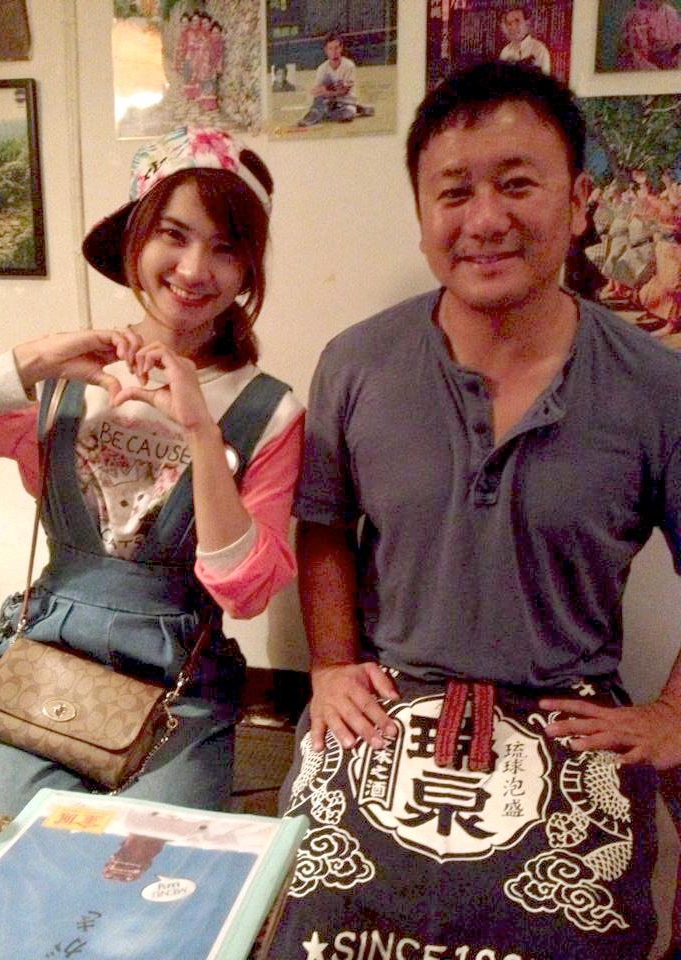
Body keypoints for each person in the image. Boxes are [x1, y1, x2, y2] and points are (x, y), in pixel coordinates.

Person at [269, 62, 681, 960]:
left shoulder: (659, 387)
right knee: (313, 931)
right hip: (389, 699)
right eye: (454, 192)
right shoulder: (356, 364)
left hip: (568, 712)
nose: (485, 219)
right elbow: (326, 525)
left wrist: (671, 714)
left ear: (579, 203)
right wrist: (330, 666)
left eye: (518, 184)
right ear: (422, 216)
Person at [0, 125, 304, 818]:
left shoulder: (270, 411)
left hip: (181, 685)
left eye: (226, 247)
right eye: (174, 235)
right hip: (46, 660)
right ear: (134, 240)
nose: (195, 269)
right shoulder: (65, 377)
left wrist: (202, 432)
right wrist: (31, 360)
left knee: (154, 867)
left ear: (249, 269)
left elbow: (246, 595)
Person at [297, 32, 362, 128]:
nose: (334, 52)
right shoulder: (322, 68)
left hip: (345, 102)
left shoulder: (348, 65)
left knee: (346, 116)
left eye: (336, 48)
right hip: (329, 102)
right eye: (330, 48)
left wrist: (327, 92)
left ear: (341, 48)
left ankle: (354, 108)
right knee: (319, 102)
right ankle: (313, 116)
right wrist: (323, 91)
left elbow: (344, 91)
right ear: (326, 50)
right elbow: (315, 91)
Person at [619, 0, 681, 70]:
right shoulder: (636, 17)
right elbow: (637, 58)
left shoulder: (671, 13)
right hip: (647, 71)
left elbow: (677, 45)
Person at [499, 4, 552, 75]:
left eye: (517, 21)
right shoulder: (505, 51)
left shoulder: (539, 50)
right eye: (509, 23)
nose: (513, 27)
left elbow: (544, 79)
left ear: (527, 23)